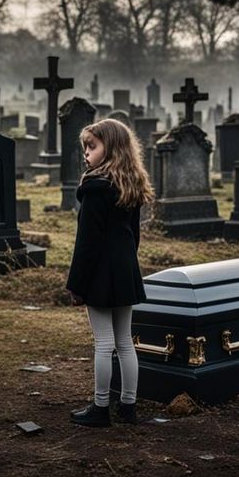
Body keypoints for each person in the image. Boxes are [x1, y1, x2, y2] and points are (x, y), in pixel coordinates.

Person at [66, 116, 152, 426]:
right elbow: (134, 236)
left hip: (100, 272)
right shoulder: (130, 184)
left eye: (92, 146)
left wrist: (76, 284)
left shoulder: (94, 189)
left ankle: (101, 408)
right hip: (125, 267)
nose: (86, 153)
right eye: (85, 147)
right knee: (125, 341)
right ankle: (128, 406)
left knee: (104, 343)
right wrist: (126, 265)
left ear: (111, 148)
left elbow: (86, 243)